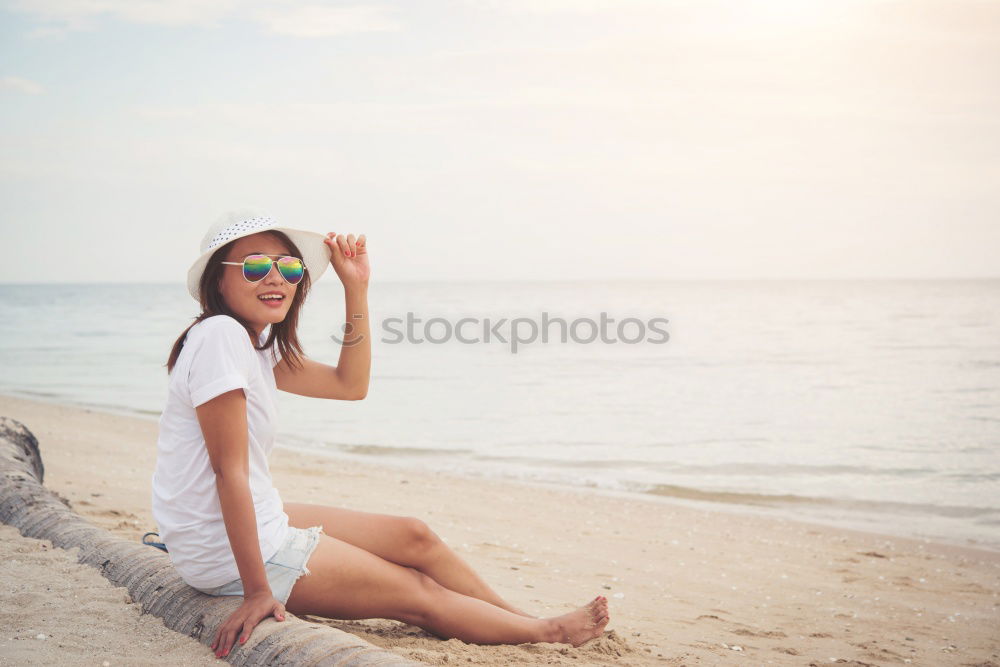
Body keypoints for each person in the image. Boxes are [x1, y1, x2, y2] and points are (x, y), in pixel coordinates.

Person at [151, 211, 610, 660]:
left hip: (243, 518)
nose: (275, 278)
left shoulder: (254, 348)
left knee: (414, 536)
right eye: (254, 266)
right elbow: (227, 470)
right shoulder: (220, 337)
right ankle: (549, 632)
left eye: (288, 267)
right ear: (218, 281)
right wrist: (257, 591)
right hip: (222, 548)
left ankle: (517, 619)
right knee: (419, 593)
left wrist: (356, 288)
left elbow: (351, 386)